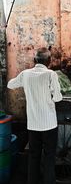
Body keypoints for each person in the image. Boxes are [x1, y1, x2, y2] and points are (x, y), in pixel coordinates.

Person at [7, 47, 62, 184]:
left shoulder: (25, 74)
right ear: (49, 61)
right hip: (49, 124)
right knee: (49, 157)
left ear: (34, 60)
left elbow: (10, 84)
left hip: (33, 124)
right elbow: (57, 98)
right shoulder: (51, 74)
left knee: (34, 156)